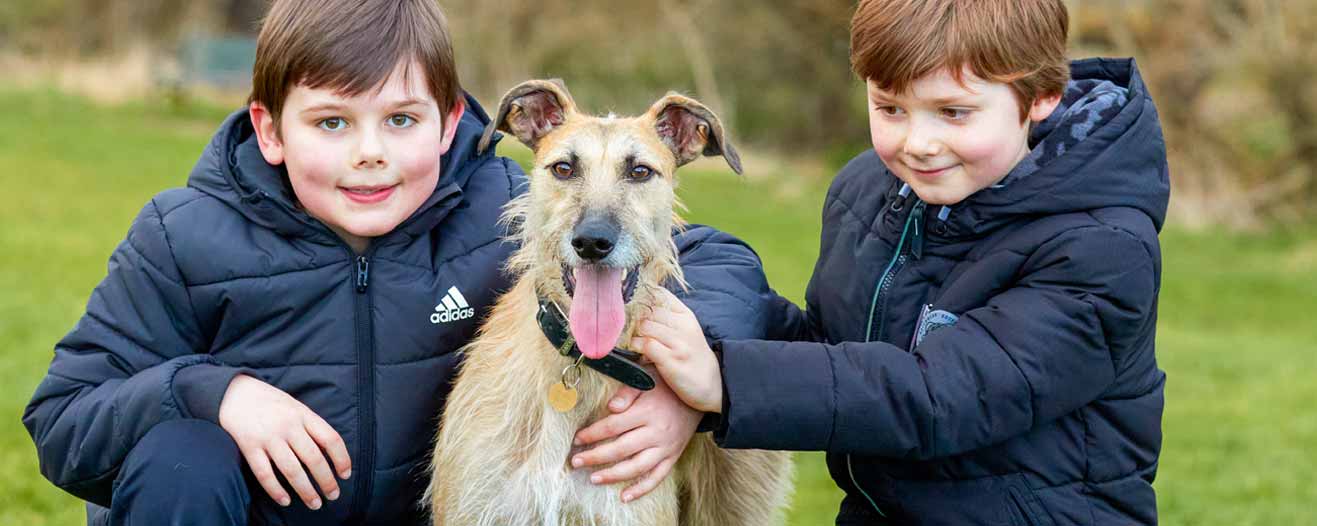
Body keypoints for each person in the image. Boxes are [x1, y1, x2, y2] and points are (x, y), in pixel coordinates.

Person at [21, 1, 785, 524]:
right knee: (179, 454)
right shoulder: (182, 236)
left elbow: (716, 262)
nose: (370, 153)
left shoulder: (499, 206)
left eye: (400, 119)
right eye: (330, 122)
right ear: (271, 129)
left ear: (451, 121)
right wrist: (212, 392)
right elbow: (61, 419)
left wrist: (687, 380)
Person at [631, 0, 1170, 524]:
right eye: (890, 108)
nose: (919, 144)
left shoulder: (1102, 249)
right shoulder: (866, 192)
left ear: (1042, 97)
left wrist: (724, 380)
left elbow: (938, 398)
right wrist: (702, 342)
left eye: (953, 112)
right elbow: (829, 354)